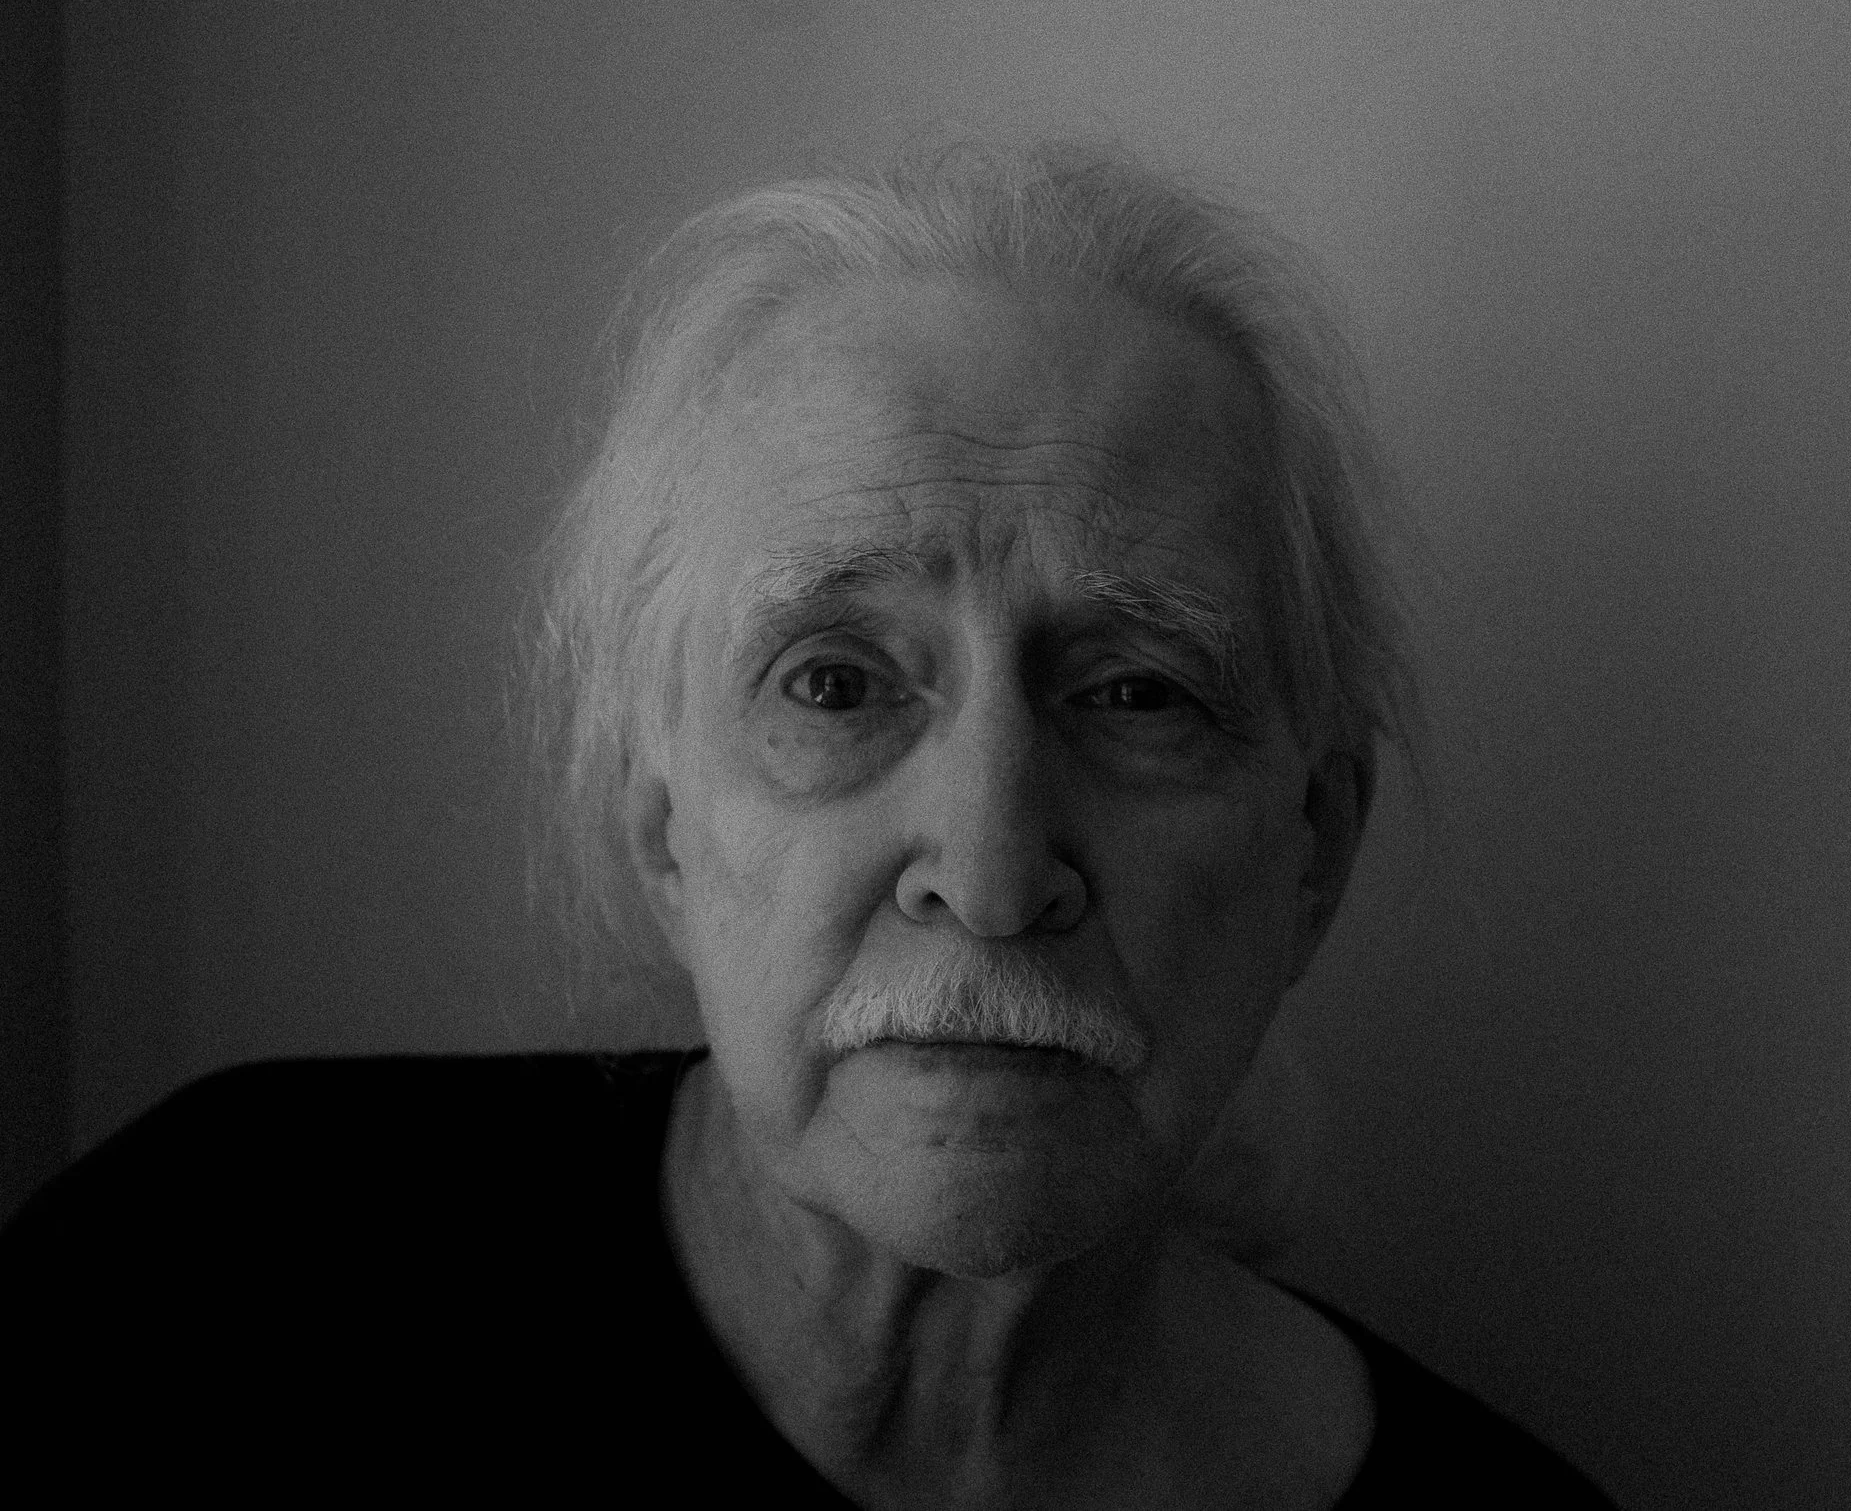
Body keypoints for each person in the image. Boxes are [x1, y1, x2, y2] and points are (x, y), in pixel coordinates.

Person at [1, 143, 1613, 1506]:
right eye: (836, 685)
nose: (989, 875)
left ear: (1315, 848)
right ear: (661, 823)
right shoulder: (201, 1282)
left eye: (1137, 692)